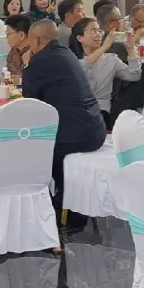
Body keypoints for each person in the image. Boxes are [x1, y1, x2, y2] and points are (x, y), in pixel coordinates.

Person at [21, 20, 106, 219]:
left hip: (74, 137)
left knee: (31, 145)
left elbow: (29, 98)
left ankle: (52, 200)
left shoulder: (41, 60)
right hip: (95, 127)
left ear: (36, 40)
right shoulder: (67, 53)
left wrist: (27, 64)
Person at [73, 18, 142, 128]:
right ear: (79, 38)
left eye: (99, 31)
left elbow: (134, 75)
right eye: (93, 31)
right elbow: (80, 68)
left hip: (101, 111)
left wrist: (131, 49)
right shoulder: (72, 59)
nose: (98, 35)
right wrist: (104, 47)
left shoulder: (111, 59)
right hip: (77, 109)